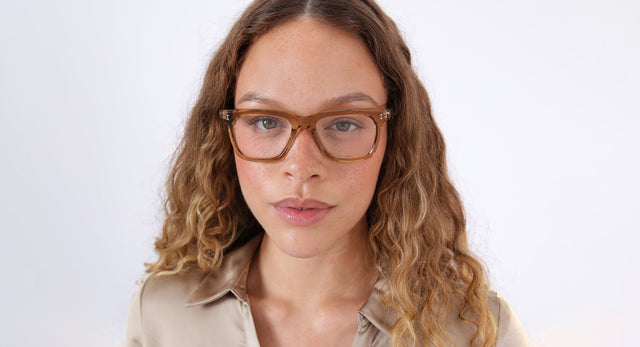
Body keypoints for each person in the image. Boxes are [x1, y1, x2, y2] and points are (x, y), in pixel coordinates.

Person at [123, 0, 529, 346]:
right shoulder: (161, 317)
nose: (301, 168)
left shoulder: (476, 331)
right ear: (223, 133)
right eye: (265, 121)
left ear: (395, 134)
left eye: (344, 123)